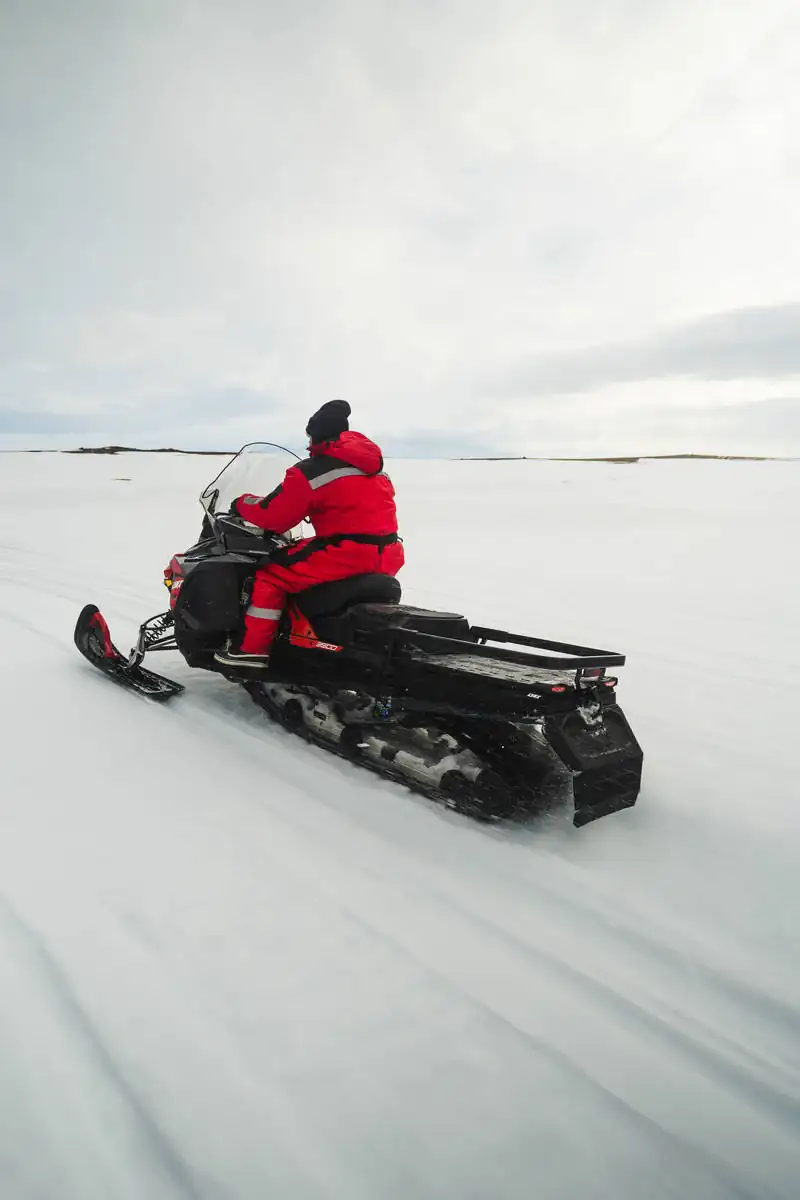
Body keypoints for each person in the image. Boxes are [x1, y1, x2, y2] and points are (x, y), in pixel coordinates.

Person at [214, 400, 404, 667]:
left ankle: (251, 650)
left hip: (345, 554)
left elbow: (274, 517)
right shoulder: (373, 467)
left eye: (309, 436)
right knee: (305, 558)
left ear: (316, 436)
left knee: (270, 573)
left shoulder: (313, 470)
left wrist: (242, 503)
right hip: (388, 554)